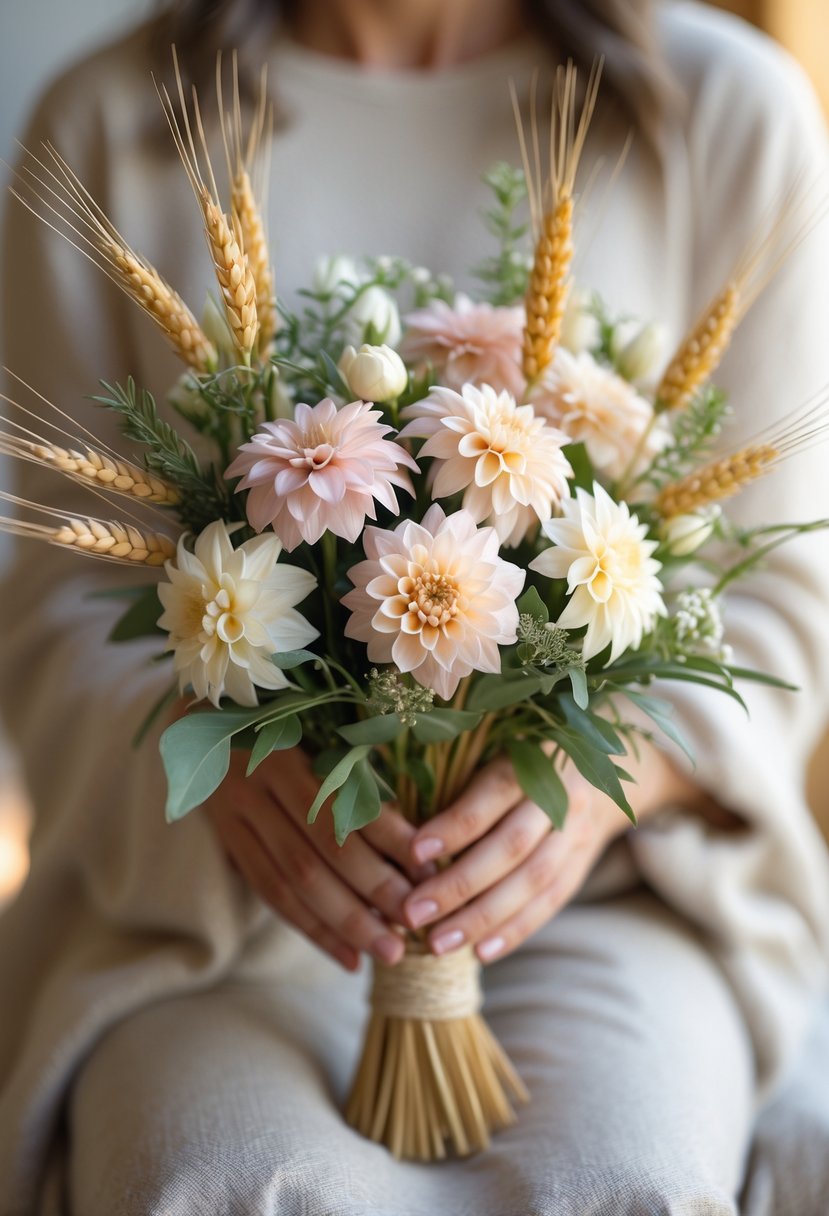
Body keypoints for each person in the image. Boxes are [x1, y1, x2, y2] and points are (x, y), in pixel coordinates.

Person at [1, 0, 828, 1212]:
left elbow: (784, 603)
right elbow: (60, 603)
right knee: (221, 1184)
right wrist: (218, 775)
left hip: (612, 889)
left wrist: (609, 783)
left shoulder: (722, 110)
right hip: (217, 903)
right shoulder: (114, 122)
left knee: (618, 1184)